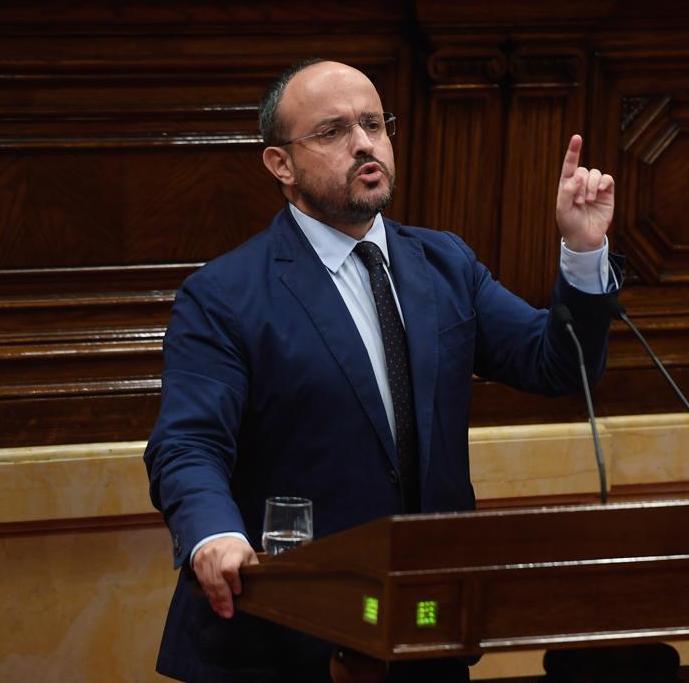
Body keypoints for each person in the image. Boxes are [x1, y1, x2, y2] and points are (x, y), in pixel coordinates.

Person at [144, 59, 620, 682]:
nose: (364, 143)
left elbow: (557, 365)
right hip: (286, 636)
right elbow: (187, 444)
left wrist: (584, 253)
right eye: (333, 131)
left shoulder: (444, 263)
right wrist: (213, 537)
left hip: (424, 624)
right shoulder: (226, 295)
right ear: (279, 165)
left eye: (374, 123)